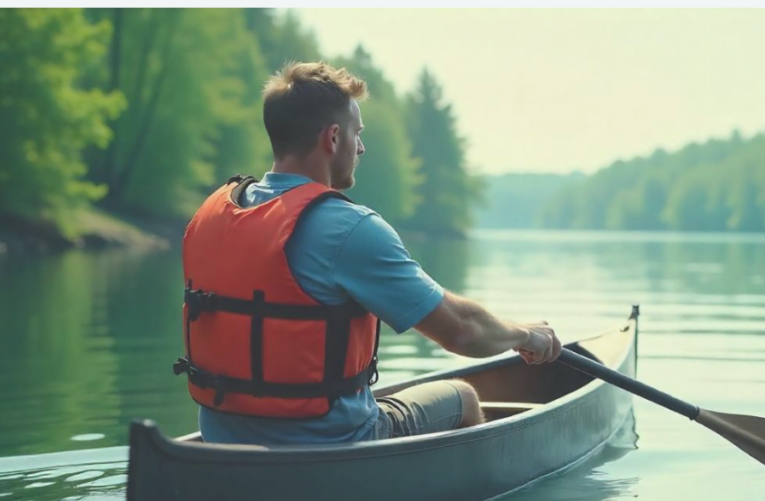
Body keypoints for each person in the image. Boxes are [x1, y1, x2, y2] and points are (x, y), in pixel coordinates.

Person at [174, 61, 562, 446]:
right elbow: (462, 330)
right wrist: (525, 335)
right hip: (330, 444)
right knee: (462, 396)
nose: (361, 147)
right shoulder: (347, 229)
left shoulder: (211, 216)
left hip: (221, 441)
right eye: (356, 134)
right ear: (332, 138)